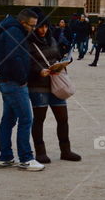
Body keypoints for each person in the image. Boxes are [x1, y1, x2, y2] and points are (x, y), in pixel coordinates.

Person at [0, 8, 44, 171]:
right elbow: (14, 58)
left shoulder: (13, 30)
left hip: (8, 81)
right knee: (26, 119)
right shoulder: (15, 32)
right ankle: (26, 158)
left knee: (8, 120)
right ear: (23, 22)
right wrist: (22, 78)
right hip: (15, 83)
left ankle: (6, 157)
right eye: (32, 25)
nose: (34, 29)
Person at [28, 16, 80, 163]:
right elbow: (27, 63)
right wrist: (39, 71)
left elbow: (56, 56)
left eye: (45, 27)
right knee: (39, 119)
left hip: (55, 83)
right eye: (40, 27)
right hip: (38, 84)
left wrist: (62, 64)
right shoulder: (29, 42)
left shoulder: (52, 40)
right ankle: (40, 152)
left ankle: (66, 150)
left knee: (63, 118)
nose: (43, 30)